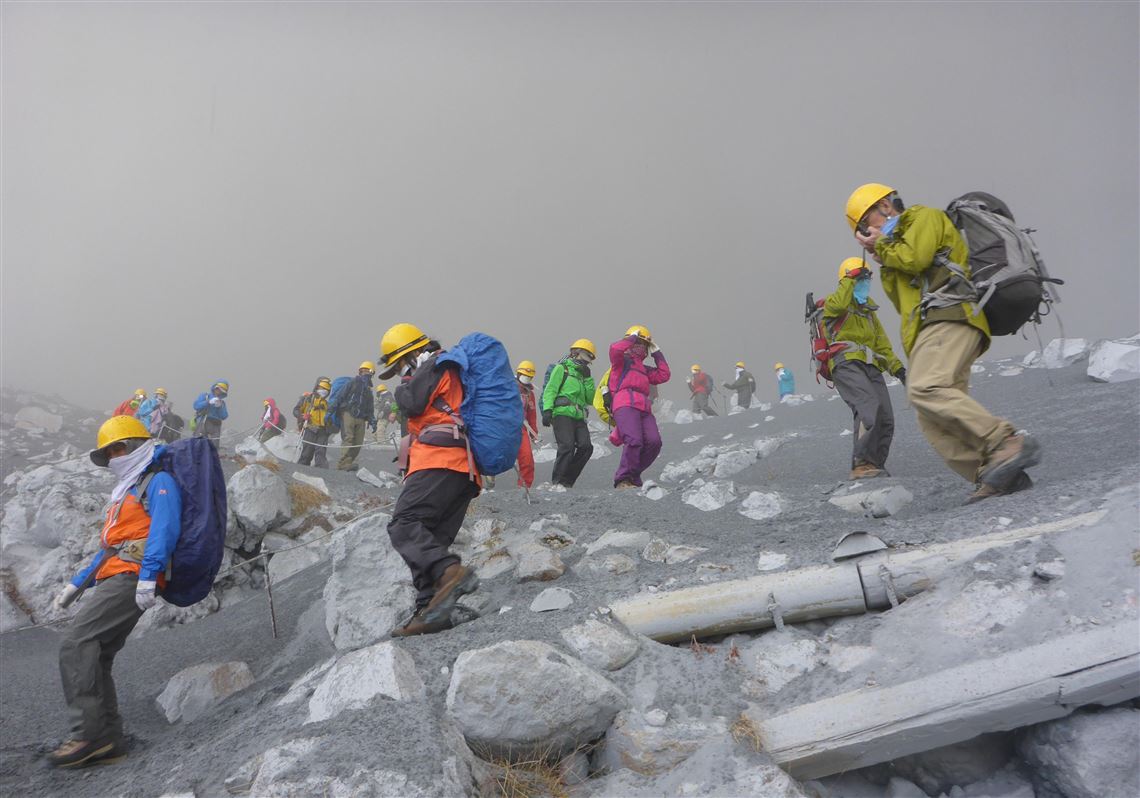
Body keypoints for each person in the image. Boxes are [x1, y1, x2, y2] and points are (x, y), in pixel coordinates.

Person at [847, 182, 1041, 502]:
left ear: (885, 206)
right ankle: (996, 473)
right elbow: (906, 300)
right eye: (862, 229)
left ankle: (1004, 441)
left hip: (950, 316)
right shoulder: (893, 249)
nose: (867, 231)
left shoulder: (924, 217)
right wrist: (884, 252)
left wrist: (884, 245)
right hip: (933, 328)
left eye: (866, 221)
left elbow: (916, 257)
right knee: (932, 418)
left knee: (926, 387)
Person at [48, 416, 181, 768]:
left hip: (133, 575)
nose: (112, 457)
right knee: (98, 652)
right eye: (107, 453)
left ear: (136, 446)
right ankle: (108, 740)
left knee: (76, 643)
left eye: (118, 449)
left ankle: (88, 735)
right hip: (117, 574)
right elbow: (111, 547)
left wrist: (149, 575)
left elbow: (164, 530)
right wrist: (77, 584)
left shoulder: (158, 481)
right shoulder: (127, 489)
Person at [378, 323, 480, 637]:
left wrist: (405, 384)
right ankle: (431, 611)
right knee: (431, 538)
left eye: (398, 366)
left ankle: (451, 573)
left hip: (440, 459)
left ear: (410, 355)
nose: (399, 374)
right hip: (462, 469)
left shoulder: (434, 365)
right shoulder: (445, 368)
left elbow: (411, 403)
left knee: (404, 524)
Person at [824, 258, 907, 479]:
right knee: (868, 406)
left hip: (871, 366)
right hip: (846, 362)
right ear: (847, 280)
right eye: (860, 278)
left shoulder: (869, 311)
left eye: (867, 278)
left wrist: (899, 370)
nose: (865, 282)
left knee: (886, 417)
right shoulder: (834, 303)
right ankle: (861, 464)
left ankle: (874, 464)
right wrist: (850, 279)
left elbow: (882, 346)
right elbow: (839, 305)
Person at [609, 325, 671, 488]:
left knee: (654, 442)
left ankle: (633, 475)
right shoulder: (621, 362)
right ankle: (623, 479)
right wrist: (631, 338)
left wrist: (657, 353)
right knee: (634, 440)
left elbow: (664, 375)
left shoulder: (644, 369)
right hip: (624, 403)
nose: (640, 346)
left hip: (644, 407)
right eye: (638, 342)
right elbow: (615, 349)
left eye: (644, 344)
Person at [541, 339, 597, 490]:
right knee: (567, 446)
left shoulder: (583, 375)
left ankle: (567, 481)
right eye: (587, 355)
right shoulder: (562, 368)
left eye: (590, 358)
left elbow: (590, 399)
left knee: (586, 447)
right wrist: (547, 410)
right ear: (577, 352)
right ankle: (558, 481)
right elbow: (551, 389)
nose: (588, 360)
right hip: (562, 413)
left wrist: (588, 379)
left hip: (579, 416)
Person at [335, 362, 377, 471]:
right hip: (348, 413)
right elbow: (340, 396)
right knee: (348, 438)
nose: (366, 373)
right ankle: (343, 464)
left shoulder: (368, 390)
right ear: (360, 371)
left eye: (368, 371)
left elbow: (370, 407)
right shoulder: (352, 383)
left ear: (372, 373)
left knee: (358, 442)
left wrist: (372, 420)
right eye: (364, 370)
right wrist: (331, 411)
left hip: (361, 418)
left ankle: (349, 462)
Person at [514, 361, 540, 490]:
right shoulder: (506, 388)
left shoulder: (529, 394)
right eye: (524, 375)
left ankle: (524, 488)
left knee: (527, 459)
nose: (526, 379)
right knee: (493, 455)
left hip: (521, 429)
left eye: (529, 377)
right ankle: (485, 481)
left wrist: (534, 433)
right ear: (518, 373)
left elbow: (532, 415)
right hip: (504, 427)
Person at [297, 378, 333, 468]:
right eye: (321, 388)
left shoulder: (327, 404)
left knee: (321, 453)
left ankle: (321, 471)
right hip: (310, 428)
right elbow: (296, 410)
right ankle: (301, 469)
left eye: (326, 390)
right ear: (316, 388)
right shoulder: (308, 400)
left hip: (323, 431)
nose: (323, 391)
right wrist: (302, 416)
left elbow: (331, 419)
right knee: (307, 453)